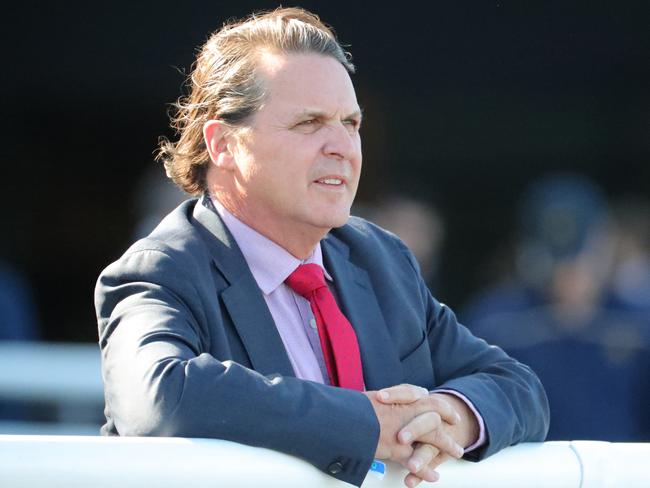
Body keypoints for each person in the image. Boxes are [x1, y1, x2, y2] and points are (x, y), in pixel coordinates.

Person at [95, 8, 549, 487]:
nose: (343, 146)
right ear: (223, 144)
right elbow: (157, 397)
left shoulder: (380, 258)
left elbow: (518, 387)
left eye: (351, 123)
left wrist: (448, 414)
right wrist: (365, 424)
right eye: (310, 123)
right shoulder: (162, 267)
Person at [463, 174, 650, 441]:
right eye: (556, 257)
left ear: (607, 241)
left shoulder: (638, 323)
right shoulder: (496, 322)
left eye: (582, 254)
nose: (570, 270)